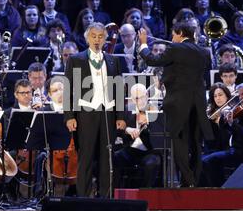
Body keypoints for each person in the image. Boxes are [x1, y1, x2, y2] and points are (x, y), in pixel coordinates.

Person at [138, 21, 214, 187]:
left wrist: (143, 44)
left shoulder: (175, 48)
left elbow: (152, 60)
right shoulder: (203, 52)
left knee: (179, 141)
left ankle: (188, 181)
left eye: (173, 34)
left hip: (179, 104)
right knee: (195, 143)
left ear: (180, 33)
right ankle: (194, 180)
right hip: (198, 103)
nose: (172, 38)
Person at [64, 22, 126, 197]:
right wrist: (69, 116)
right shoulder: (76, 59)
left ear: (105, 39)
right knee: (86, 158)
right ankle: (83, 197)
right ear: (87, 38)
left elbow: (119, 90)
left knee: (107, 158)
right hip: (86, 114)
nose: (97, 40)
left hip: (108, 114)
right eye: (93, 36)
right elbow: (69, 89)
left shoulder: (113, 60)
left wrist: (121, 116)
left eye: (100, 36)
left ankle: (106, 198)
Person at [202, 82, 243, 187]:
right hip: (238, 150)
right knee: (206, 159)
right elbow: (230, 130)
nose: (240, 97)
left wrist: (233, 122)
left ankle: (219, 191)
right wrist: (225, 120)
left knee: (208, 161)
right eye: (239, 94)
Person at [113, 83, 161, 188]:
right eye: (136, 98)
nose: (140, 101)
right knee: (114, 158)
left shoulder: (154, 110)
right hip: (130, 150)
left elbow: (159, 133)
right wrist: (127, 130)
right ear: (132, 99)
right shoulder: (126, 110)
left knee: (152, 163)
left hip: (148, 151)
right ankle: (116, 194)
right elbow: (117, 131)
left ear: (147, 95)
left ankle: (145, 194)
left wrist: (149, 122)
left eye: (143, 97)